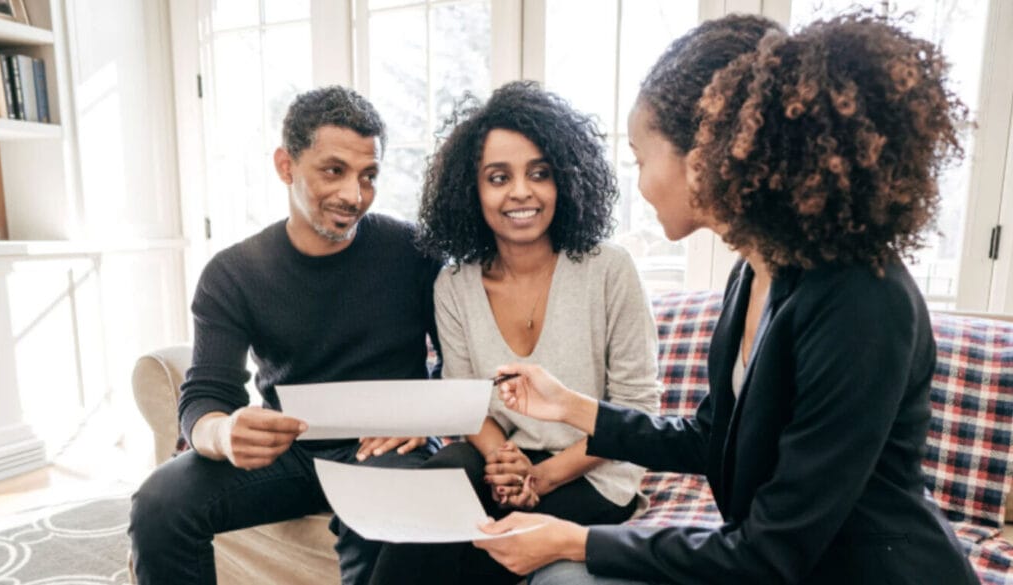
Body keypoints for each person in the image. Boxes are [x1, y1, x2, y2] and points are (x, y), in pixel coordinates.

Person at [474, 12, 980, 585]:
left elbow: (770, 554)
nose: (639, 185)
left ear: (705, 154)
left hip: (869, 574)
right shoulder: (755, 270)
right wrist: (570, 406)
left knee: (563, 576)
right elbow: (711, 437)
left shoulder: (861, 301)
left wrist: (575, 540)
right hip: (780, 565)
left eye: (642, 159)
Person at [128, 86, 443, 585]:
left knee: (388, 519)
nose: (354, 195)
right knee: (159, 502)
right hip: (291, 446)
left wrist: (424, 416)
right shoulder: (233, 273)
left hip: (387, 446)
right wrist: (221, 432)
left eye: (369, 176)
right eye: (333, 170)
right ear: (286, 165)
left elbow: (460, 359)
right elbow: (206, 394)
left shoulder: (413, 252)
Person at [368, 81, 662, 585]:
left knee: (482, 546)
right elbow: (468, 405)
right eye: (498, 177)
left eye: (539, 174)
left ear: (564, 181)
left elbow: (635, 411)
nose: (521, 192)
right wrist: (505, 461)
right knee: (438, 486)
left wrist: (540, 477)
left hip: (593, 470)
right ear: (472, 190)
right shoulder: (454, 284)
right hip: (503, 462)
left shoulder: (609, 269)